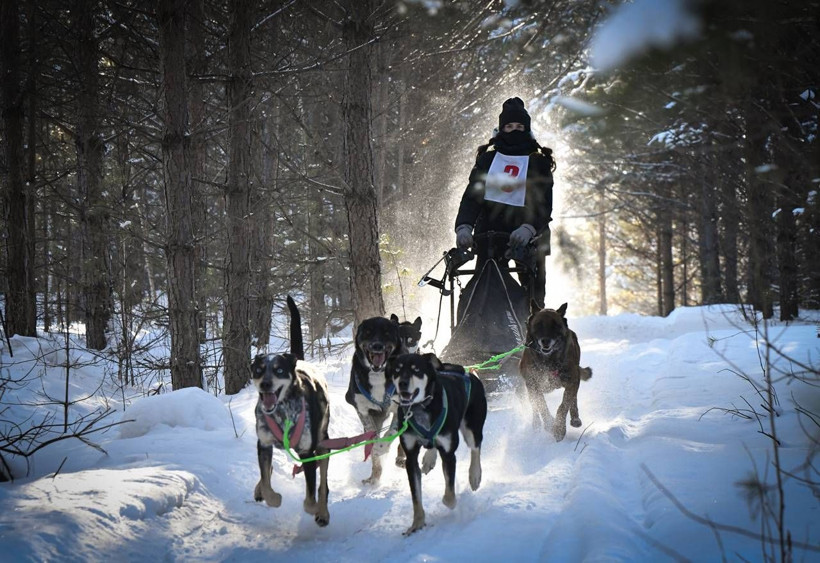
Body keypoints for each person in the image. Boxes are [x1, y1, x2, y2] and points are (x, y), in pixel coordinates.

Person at [454, 97, 555, 308]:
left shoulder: (538, 161)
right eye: (509, 127)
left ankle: (533, 319)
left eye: (519, 127)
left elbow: (544, 203)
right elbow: (472, 198)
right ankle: (480, 322)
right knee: (485, 283)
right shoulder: (488, 160)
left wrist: (529, 228)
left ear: (527, 129)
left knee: (533, 290)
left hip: (530, 234)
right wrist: (464, 226)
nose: (514, 131)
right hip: (491, 231)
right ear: (501, 129)